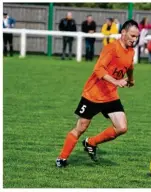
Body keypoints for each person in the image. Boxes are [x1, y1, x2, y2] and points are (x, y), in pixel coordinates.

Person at [56, 19, 140, 167]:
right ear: (123, 33)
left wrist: (131, 80)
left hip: (110, 95)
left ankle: (91, 143)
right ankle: (62, 158)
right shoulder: (111, 48)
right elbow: (98, 69)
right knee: (81, 127)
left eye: (137, 37)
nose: (135, 39)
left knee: (122, 127)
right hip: (93, 94)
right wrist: (116, 81)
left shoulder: (131, 51)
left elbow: (130, 66)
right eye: (132, 36)